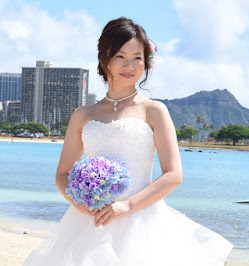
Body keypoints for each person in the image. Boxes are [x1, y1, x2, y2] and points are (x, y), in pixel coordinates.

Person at [24, 17, 232, 265]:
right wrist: (80, 205)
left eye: (137, 58)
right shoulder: (83, 115)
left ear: (146, 63)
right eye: (120, 56)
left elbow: (173, 174)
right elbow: (63, 174)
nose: (129, 65)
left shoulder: (154, 111)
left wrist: (127, 206)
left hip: (142, 221)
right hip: (91, 221)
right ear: (105, 59)